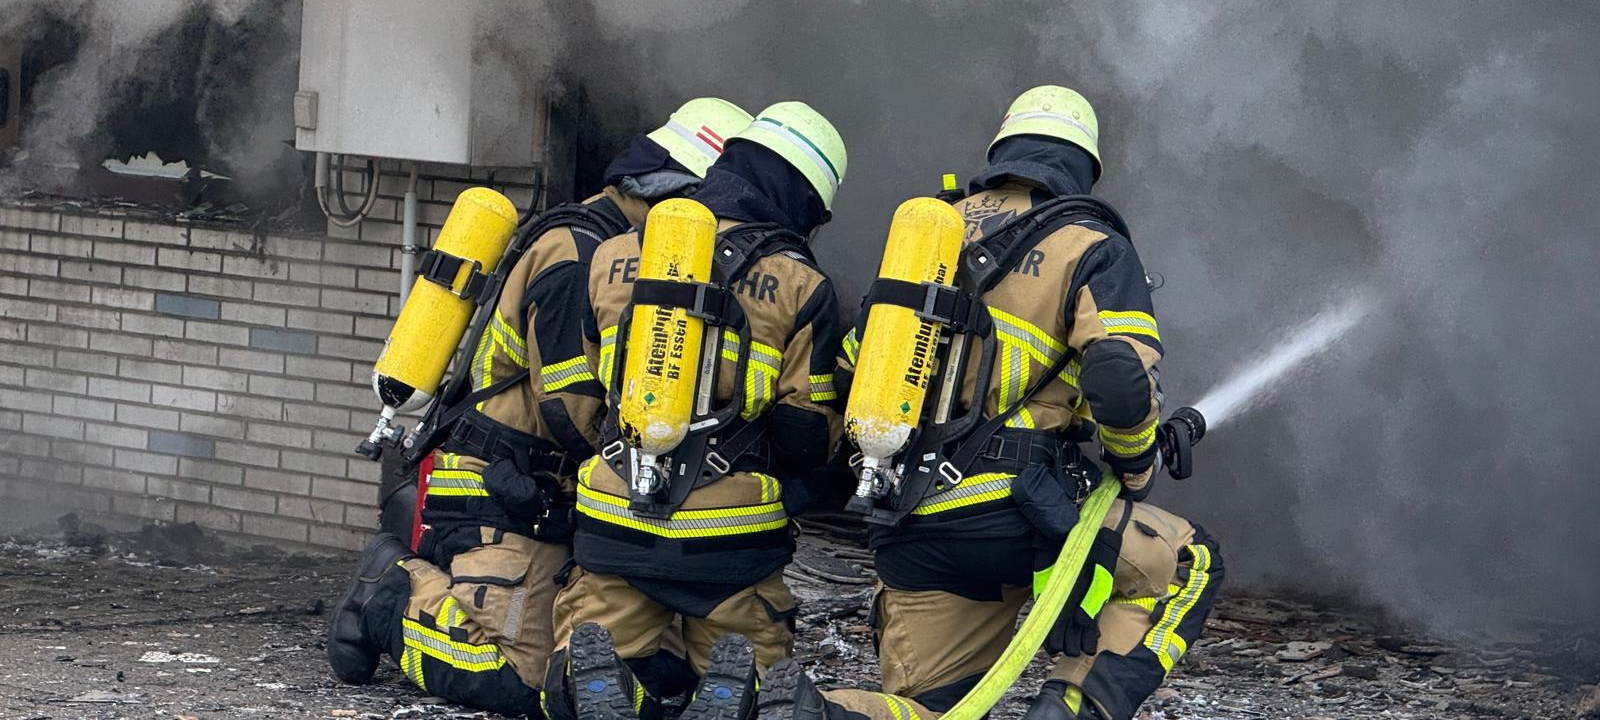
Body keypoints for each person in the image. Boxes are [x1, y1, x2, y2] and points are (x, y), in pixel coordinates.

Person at [758, 85, 1224, 720]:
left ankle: (814, 712)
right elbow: (1117, 377)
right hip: (1015, 512)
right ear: (1083, 168)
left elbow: (849, 367)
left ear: (1001, 151)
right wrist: (1137, 463)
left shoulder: (926, 238)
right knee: (1188, 560)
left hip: (911, 523)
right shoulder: (1089, 245)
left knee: (933, 710)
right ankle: (1069, 708)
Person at [325, 97, 755, 717]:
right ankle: (391, 595)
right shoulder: (578, 253)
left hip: (545, 497)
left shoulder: (617, 245)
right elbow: (568, 406)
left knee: (635, 672)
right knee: (524, 683)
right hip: (497, 490)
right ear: (676, 192)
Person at [539, 101, 849, 720]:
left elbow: (570, 401)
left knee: (581, 664)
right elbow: (802, 435)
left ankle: (602, 682)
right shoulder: (800, 283)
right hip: (728, 536)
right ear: (803, 201)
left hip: (613, 513)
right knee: (760, 681)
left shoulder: (614, 255)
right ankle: (735, 691)